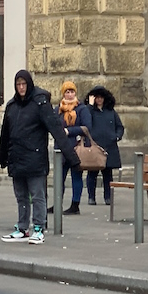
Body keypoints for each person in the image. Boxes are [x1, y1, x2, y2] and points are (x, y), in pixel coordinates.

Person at [0, 70, 80, 244]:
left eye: (24, 84)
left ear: (29, 84)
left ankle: (38, 228)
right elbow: (5, 133)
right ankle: (22, 227)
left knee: (37, 195)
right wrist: (3, 158)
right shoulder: (12, 105)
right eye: (18, 84)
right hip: (17, 157)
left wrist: (72, 157)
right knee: (21, 195)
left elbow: (55, 128)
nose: (21, 88)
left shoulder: (40, 103)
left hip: (35, 156)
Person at [83, 85, 124, 206]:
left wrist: (117, 136)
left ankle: (108, 197)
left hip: (109, 146)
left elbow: (120, 127)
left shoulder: (111, 112)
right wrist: (90, 106)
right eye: (97, 97)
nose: (99, 99)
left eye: (101, 97)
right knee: (92, 174)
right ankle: (91, 197)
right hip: (95, 146)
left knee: (108, 175)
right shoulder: (89, 111)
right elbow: (85, 121)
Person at [51, 81, 87, 215]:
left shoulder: (81, 109)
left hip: (75, 147)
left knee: (76, 176)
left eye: (72, 92)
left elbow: (86, 127)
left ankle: (75, 205)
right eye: (67, 92)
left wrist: (69, 131)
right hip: (61, 148)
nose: (70, 94)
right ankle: (57, 203)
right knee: (59, 178)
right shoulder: (58, 109)